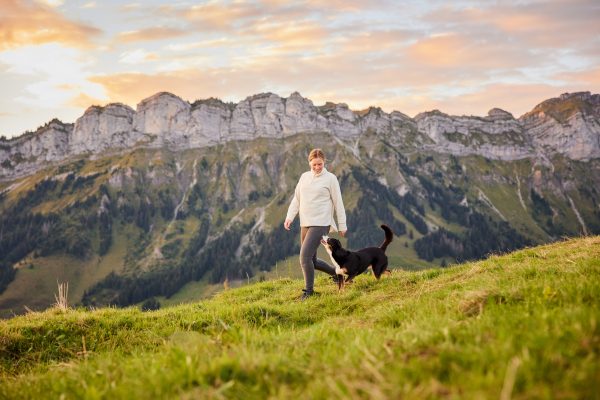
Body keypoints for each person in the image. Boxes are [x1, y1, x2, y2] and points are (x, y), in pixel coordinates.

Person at [284, 148, 348, 300]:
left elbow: (338, 202)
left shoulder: (331, 178)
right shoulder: (304, 177)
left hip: (321, 222)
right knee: (311, 261)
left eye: (320, 164)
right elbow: (297, 199)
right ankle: (337, 274)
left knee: (304, 258)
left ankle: (309, 292)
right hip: (305, 222)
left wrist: (342, 224)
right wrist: (289, 217)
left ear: (324, 162)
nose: (318, 167)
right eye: (314, 165)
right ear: (309, 163)